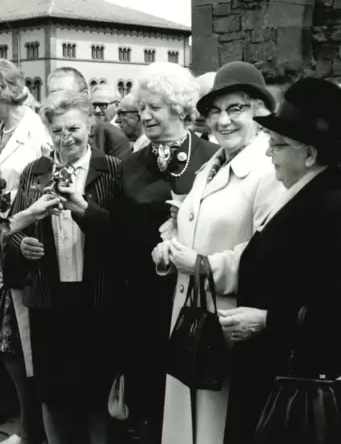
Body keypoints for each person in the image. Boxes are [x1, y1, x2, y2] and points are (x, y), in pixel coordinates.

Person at [214, 78, 341, 444]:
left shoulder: (331, 203)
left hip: (297, 387)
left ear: (309, 154)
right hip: (274, 375)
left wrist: (266, 320)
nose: (270, 153)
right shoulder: (307, 192)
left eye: (278, 145)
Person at [152, 61, 284, 444]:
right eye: (214, 112)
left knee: (218, 422)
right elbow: (196, 224)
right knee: (188, 418)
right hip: (192, 311)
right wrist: (169, 246)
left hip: (227, 316)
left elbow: (268, 251)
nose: (223, 121)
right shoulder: (212, 164)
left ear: (260, 112)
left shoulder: (267, 169)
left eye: (235, 109)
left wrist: (203, 265)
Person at [4, 90, 123, 444]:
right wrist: (22, 245)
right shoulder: (35, 172)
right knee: (52, 392)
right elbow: (12, 227)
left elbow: (123, 235)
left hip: (98, 298)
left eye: (73, 128)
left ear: (90, 125)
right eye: (56, 131)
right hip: (48, 299)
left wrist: (84, 208)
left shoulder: (112, 170)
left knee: (96, 392)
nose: (65, 137)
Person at [113, 62, 218, 444]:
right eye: (141, 108)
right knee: (149, 392)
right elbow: (117, 234)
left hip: (196, 294)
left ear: (178, 106)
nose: (145, 115)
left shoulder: (213, 156)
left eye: (154, 107)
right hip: (143, 299)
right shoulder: (129, 166)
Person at [0, 58, 51, 444]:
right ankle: (27, 425)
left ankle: (31, 429)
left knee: (20, 345)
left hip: (21, 250)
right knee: (3, 345)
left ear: (2, 92)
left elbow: (39, 196)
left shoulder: (37, 135)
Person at [47, 68, 132, 160]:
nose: (58, 100)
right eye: (53, 94)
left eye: (66, 94)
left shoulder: (111, 137)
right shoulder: (40, 130)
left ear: (84, 95)